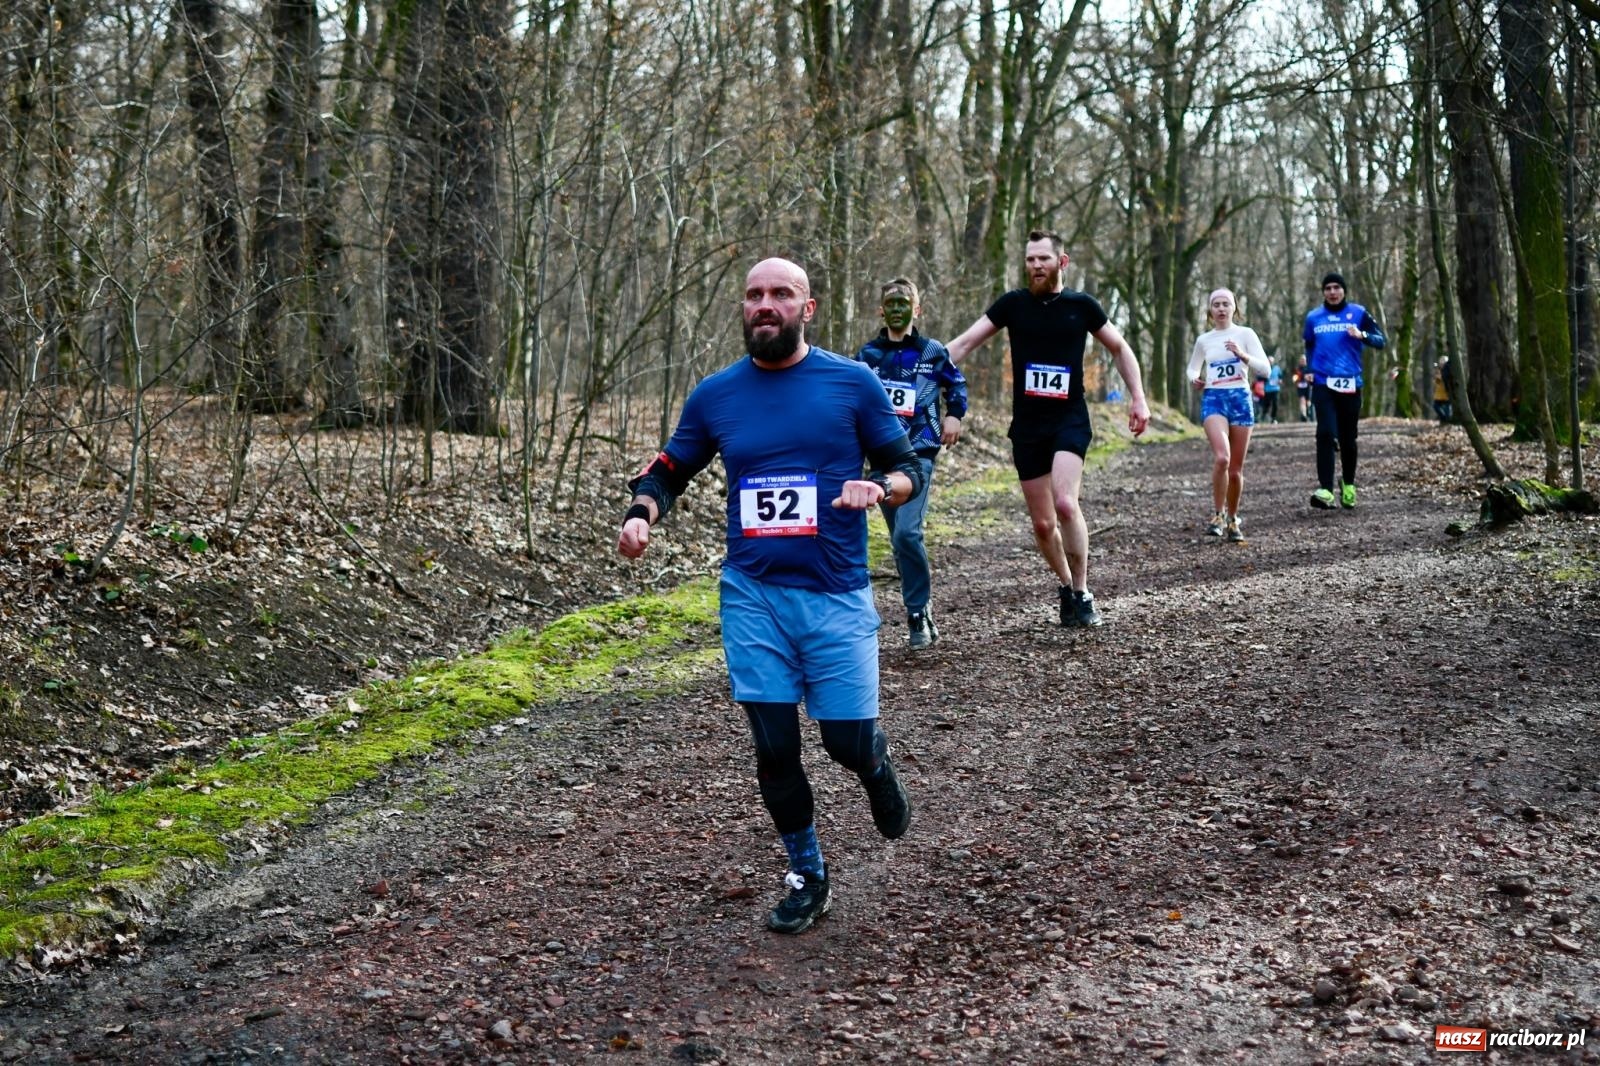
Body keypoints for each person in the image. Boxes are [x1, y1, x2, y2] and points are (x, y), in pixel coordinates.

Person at [618, 257, 927, 935]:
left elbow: (906, 467)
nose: (765, 305)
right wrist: (643, 512)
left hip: (836, 595)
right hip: (752, 594)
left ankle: (874, 764)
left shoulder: (852, 385)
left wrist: (883, 489)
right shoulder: (716, 395)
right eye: (755, 295)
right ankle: (807, 873)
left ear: (806, 309)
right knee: (775, 749)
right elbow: (672, 468)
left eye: (780, 295)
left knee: (844, 744)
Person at [945, 229, 1151, 627]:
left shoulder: (1082, 306)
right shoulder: (1013, 305)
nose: (1036, 266)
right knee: (1042, 524)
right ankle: (1067, 585)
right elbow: (966, 343)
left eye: (1043, 258)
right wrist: (924, 366)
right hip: (1027, 425)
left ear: (1062, 261)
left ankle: (1083, 591)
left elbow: (1120, 348)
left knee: (1064, 503)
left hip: (1069, 418)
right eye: (1030, 260)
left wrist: (1138, 397)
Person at [855, 278, 968, 650]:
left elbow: (957, 384)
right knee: (897, 536)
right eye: (892, 302)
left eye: (905, 302)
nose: (898, 308)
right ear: (881, 310)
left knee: (907, 533)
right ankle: (920, 606)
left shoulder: (932, 352)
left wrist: (955, 415)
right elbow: (852, 400)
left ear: (917, 309)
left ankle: (917, 611)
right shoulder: (868, 356)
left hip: (918, 451)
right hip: (881, 455)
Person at [1186, 288, 1270, 542]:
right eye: (1216, 305)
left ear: (1234, 308)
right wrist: (1195, 379)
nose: (1221, 308)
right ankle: (1217, 514)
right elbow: (1192, 369)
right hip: (1214, 398)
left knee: (1235, 470)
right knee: (1222, 457)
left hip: (1240, 400)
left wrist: (1243, 356)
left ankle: (1233, 518)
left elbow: (1265, 368)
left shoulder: (1246, 334)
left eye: (1226, 304)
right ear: (1210, 311)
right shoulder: (1204, 340)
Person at [1303, 271, 1386, 509]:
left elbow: (1381, 341)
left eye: (1336, 288)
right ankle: (1326, 489)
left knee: (1349, 439)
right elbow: (1308, 344)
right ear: (1323, 292)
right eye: (1327, 288)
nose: (1332, 292)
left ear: (1344, 291)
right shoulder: (1313, 318)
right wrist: (1309, 367)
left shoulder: (1358, 313)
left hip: (1351, 382)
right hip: (1322, 382)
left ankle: (1348, 483)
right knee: (1326, 433)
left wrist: (1362, 335)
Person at [1261, 358, 1283, 424]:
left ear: (1273, 362)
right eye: (1269, 361)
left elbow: (1281, 376)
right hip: (1267, 390)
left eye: (1271, 361)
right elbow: (1259, 378)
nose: (1270, 362)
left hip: (1275, 389)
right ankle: (1263, 416)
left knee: (1275, 404)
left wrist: (1280, 380)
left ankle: (1273, 418)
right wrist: (1264, 378)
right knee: (1266, 405)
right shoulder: (1264, 369)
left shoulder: (1277, 368)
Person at [1433, 357, 1453, 423]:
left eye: (1442, 363)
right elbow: (1437, 381)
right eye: (1440, 363)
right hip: (1439, 394)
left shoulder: (1448, 371)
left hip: (1447, 393)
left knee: (1447, 408)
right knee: (1436, 406)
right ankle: (1443, 419)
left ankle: (1447, 420)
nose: (1441, 364)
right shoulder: (1439, 371)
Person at [1294, 355, 1314, 422]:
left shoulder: (1309, 368)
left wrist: (1309, 378)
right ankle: (1303, 415)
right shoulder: (1297, 369)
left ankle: (1309, 412)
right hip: (1300, 387)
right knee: (1302, 401)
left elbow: (1312, 377)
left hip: (1308, 386)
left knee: (1308, 401)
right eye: (1301, 360)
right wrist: (1299, 378)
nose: (1303, 361)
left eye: (1304, 360)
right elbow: (1294, 378)